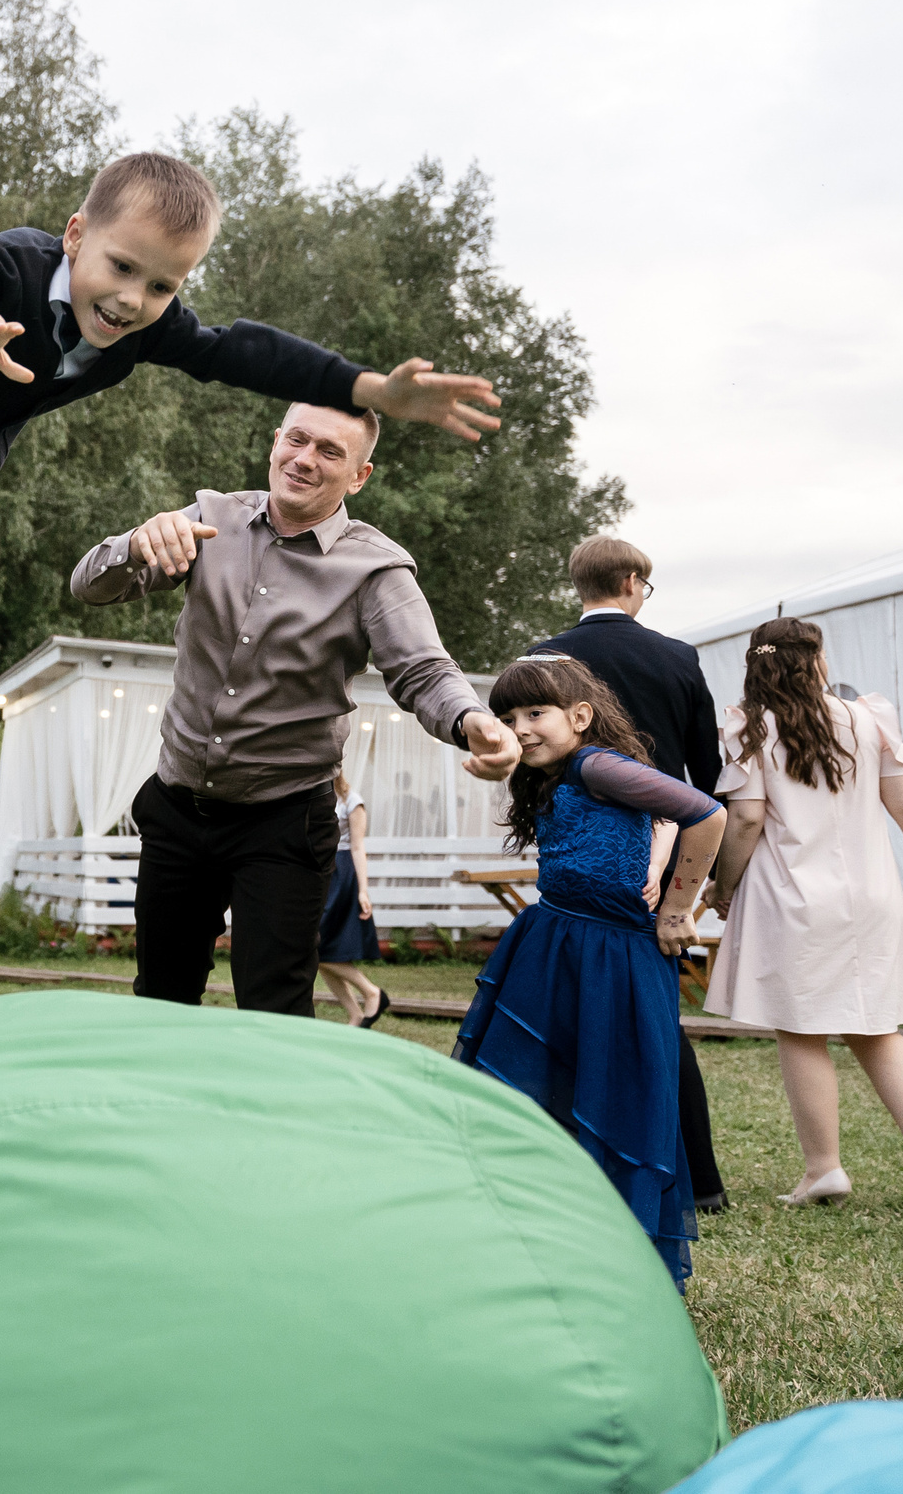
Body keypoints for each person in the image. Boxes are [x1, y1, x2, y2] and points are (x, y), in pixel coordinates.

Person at [0, 152, 504, 711]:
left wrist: (369, 389)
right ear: (77, 235)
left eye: (162, 285)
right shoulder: (15, 266)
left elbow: (244, 354)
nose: (132, 299)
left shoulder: (149, 331)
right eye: (121, 267)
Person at [69, 400, 520, 1016]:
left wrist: (472, 722)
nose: (306, 460)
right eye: (298, 441)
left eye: (330, 451)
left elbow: (422, 669)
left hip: (281, 822)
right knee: (160, 1002)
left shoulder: (376, 569)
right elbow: (89, 588)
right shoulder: (209, 519)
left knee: (273, 1012)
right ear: (276, 441)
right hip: (177, 809)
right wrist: (132, 545)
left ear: (359, 475)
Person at [453, 654, 726, 1289]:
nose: (519, 728)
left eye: (535, 714)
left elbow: (705, 814)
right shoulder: (549, 773)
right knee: (539, 1087)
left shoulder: (599, 764)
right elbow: (654, 821)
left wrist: (678, 907)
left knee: (615, 1091)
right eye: (507, 716)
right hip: (553, 942)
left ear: (580, 715)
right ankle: (536, 1238)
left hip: (618, 958)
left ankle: (614, 1259)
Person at [702, 618, 903, 1208]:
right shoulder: (870, 717)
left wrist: (722, 887)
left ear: (756, 663)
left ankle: (824, 1169)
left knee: (801, 1029)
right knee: (878, 1028)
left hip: (792, 897)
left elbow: (745, 820)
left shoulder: (749, 725)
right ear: (817, 658)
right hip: (871, 897)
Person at [533, 535, 731, 1214]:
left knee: (566, 1008)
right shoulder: (677, 656)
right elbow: (708, 773)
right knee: (654, 1016)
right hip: (663, 856)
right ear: (630, 580)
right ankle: (699, 1177)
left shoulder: (544, 657)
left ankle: (579, 1158)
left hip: (579, 852)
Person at [316, 770, 389, 1027]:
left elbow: (358, 847)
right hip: (319, 871)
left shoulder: (351, 801)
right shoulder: (313, 797)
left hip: (342, 872)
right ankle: (356, 1012)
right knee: (322, 951)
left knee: (316, 948)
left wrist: (363, 890)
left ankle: (371, 992)